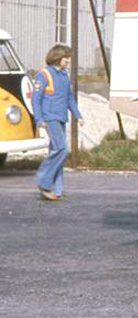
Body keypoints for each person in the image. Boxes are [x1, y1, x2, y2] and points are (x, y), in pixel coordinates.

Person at [31, 44, 84, 201]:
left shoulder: (63, 76)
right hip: (50, 118)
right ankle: (43, 181)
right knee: (61, 149)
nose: (68, 60)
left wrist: (78, 115)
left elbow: (69, 98)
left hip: (61, 117)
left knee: (57, 153)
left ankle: (57, 190)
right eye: (66, 57)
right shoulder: (44, 74)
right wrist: (39, 119)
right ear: (58, 57)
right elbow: (36, 99)